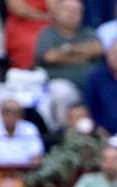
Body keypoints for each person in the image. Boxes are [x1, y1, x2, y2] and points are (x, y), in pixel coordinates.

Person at [34, 0, 104, 131]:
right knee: (61, 91)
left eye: (77, 11)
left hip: (90, 86)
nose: (72, 14)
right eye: (68, 10)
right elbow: (50, 56)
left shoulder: (89, 32)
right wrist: (83, 55)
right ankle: (62, 133)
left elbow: (97, 49)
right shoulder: (48, 34)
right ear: (57, 12)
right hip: (60, 87)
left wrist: (66, 51)